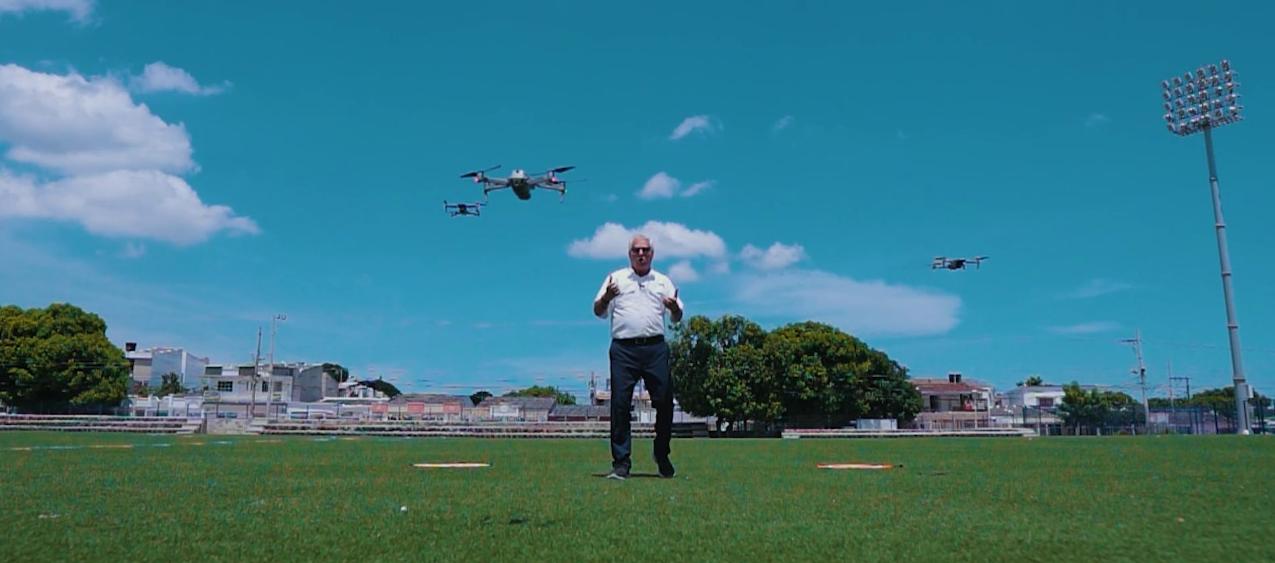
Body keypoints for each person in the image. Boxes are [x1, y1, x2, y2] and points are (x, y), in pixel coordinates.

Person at [593, 234, 683, 480]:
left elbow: (677, 317)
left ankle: (661, 453)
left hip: (655, 349)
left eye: (645, 250)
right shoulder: (616, 279)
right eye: (636, 250)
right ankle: (621, 463)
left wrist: (674, 308)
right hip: (623, 350)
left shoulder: (663, 281)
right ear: (629, 254)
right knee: (620, 404)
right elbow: (598, 311)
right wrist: (607, 297)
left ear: (652, 254)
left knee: (665, 401)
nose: (641, 254)